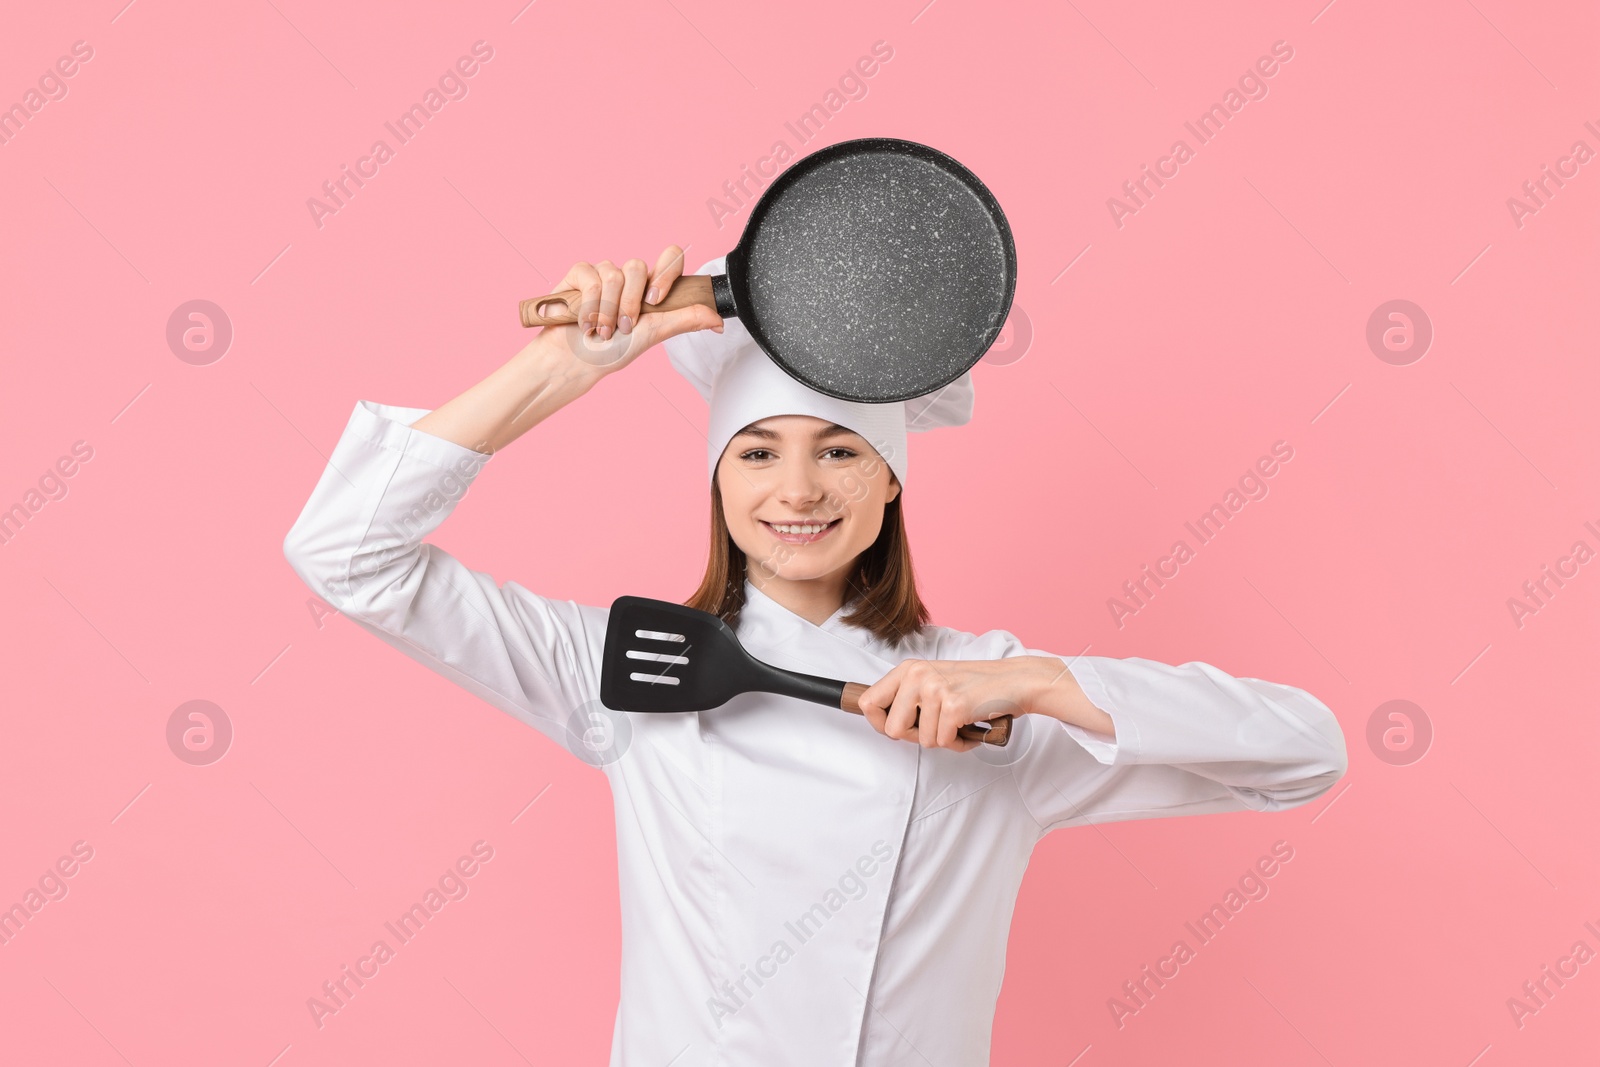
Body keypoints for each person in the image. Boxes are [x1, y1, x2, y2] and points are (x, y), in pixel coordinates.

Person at [283, 244, 1348, 1066]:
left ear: (890, 479)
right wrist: (565, 364)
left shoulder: (985, 702)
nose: (795, 491)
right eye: (756, 452)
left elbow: (1307, 752)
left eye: (839, 450)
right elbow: (344, 551)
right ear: (716, 477)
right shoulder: (620, 670)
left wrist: (1035, 682)